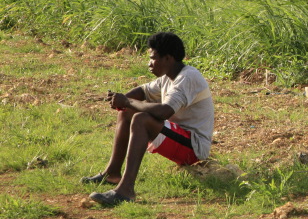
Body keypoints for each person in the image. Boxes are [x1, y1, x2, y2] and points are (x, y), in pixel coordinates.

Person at [83, 32, 214, 207]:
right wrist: (121, 100)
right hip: (179, 137)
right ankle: (112, 174)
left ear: (168, 58)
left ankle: (126, 190)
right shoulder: (168, 77)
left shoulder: (187, 78)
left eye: (153, 59)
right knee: (128, 110)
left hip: (194, 148)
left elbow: (164, 111)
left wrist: (127, 101)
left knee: (141, 119)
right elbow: (143, 91)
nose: (149, 64)